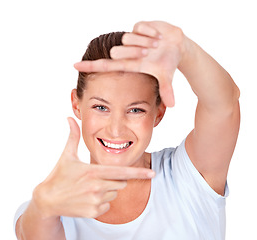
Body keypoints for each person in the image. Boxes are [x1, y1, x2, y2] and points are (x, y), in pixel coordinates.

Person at [14, 21, 240, 240]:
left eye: (135, 110)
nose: (115, 129)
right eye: (101, 107)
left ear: (158, 113)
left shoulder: (187, 178)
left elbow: (224, 106)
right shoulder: (52, 205)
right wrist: (43, 203)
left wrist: (185, 49)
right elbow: (29, 234)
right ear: (76, 104)